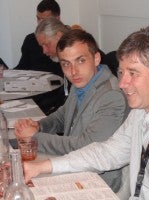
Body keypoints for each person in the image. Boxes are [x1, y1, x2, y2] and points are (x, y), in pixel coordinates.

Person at [22, 26, 149, 199]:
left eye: (133, 73)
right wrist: (44, 166)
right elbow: (106, 153)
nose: (122, 83)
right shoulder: (141, 110)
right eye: (121, 72)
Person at [14, 29, 128, 192]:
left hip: (97, 181)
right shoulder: (83, 81)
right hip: (72, 165)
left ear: (96, 58)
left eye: (80, 61)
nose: (73, 71)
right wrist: (39, 126)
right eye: (66, 64)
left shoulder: (111, 96)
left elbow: (86, 146)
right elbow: (63, 115)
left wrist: (34, 138)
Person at [14, 0, 63, 76]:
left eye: (44, 20)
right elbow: (22, 67)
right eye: (38, 19)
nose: (40, 23)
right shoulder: (30, 39)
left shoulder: (67, 40)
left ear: (57, 19)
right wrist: (6, 73)